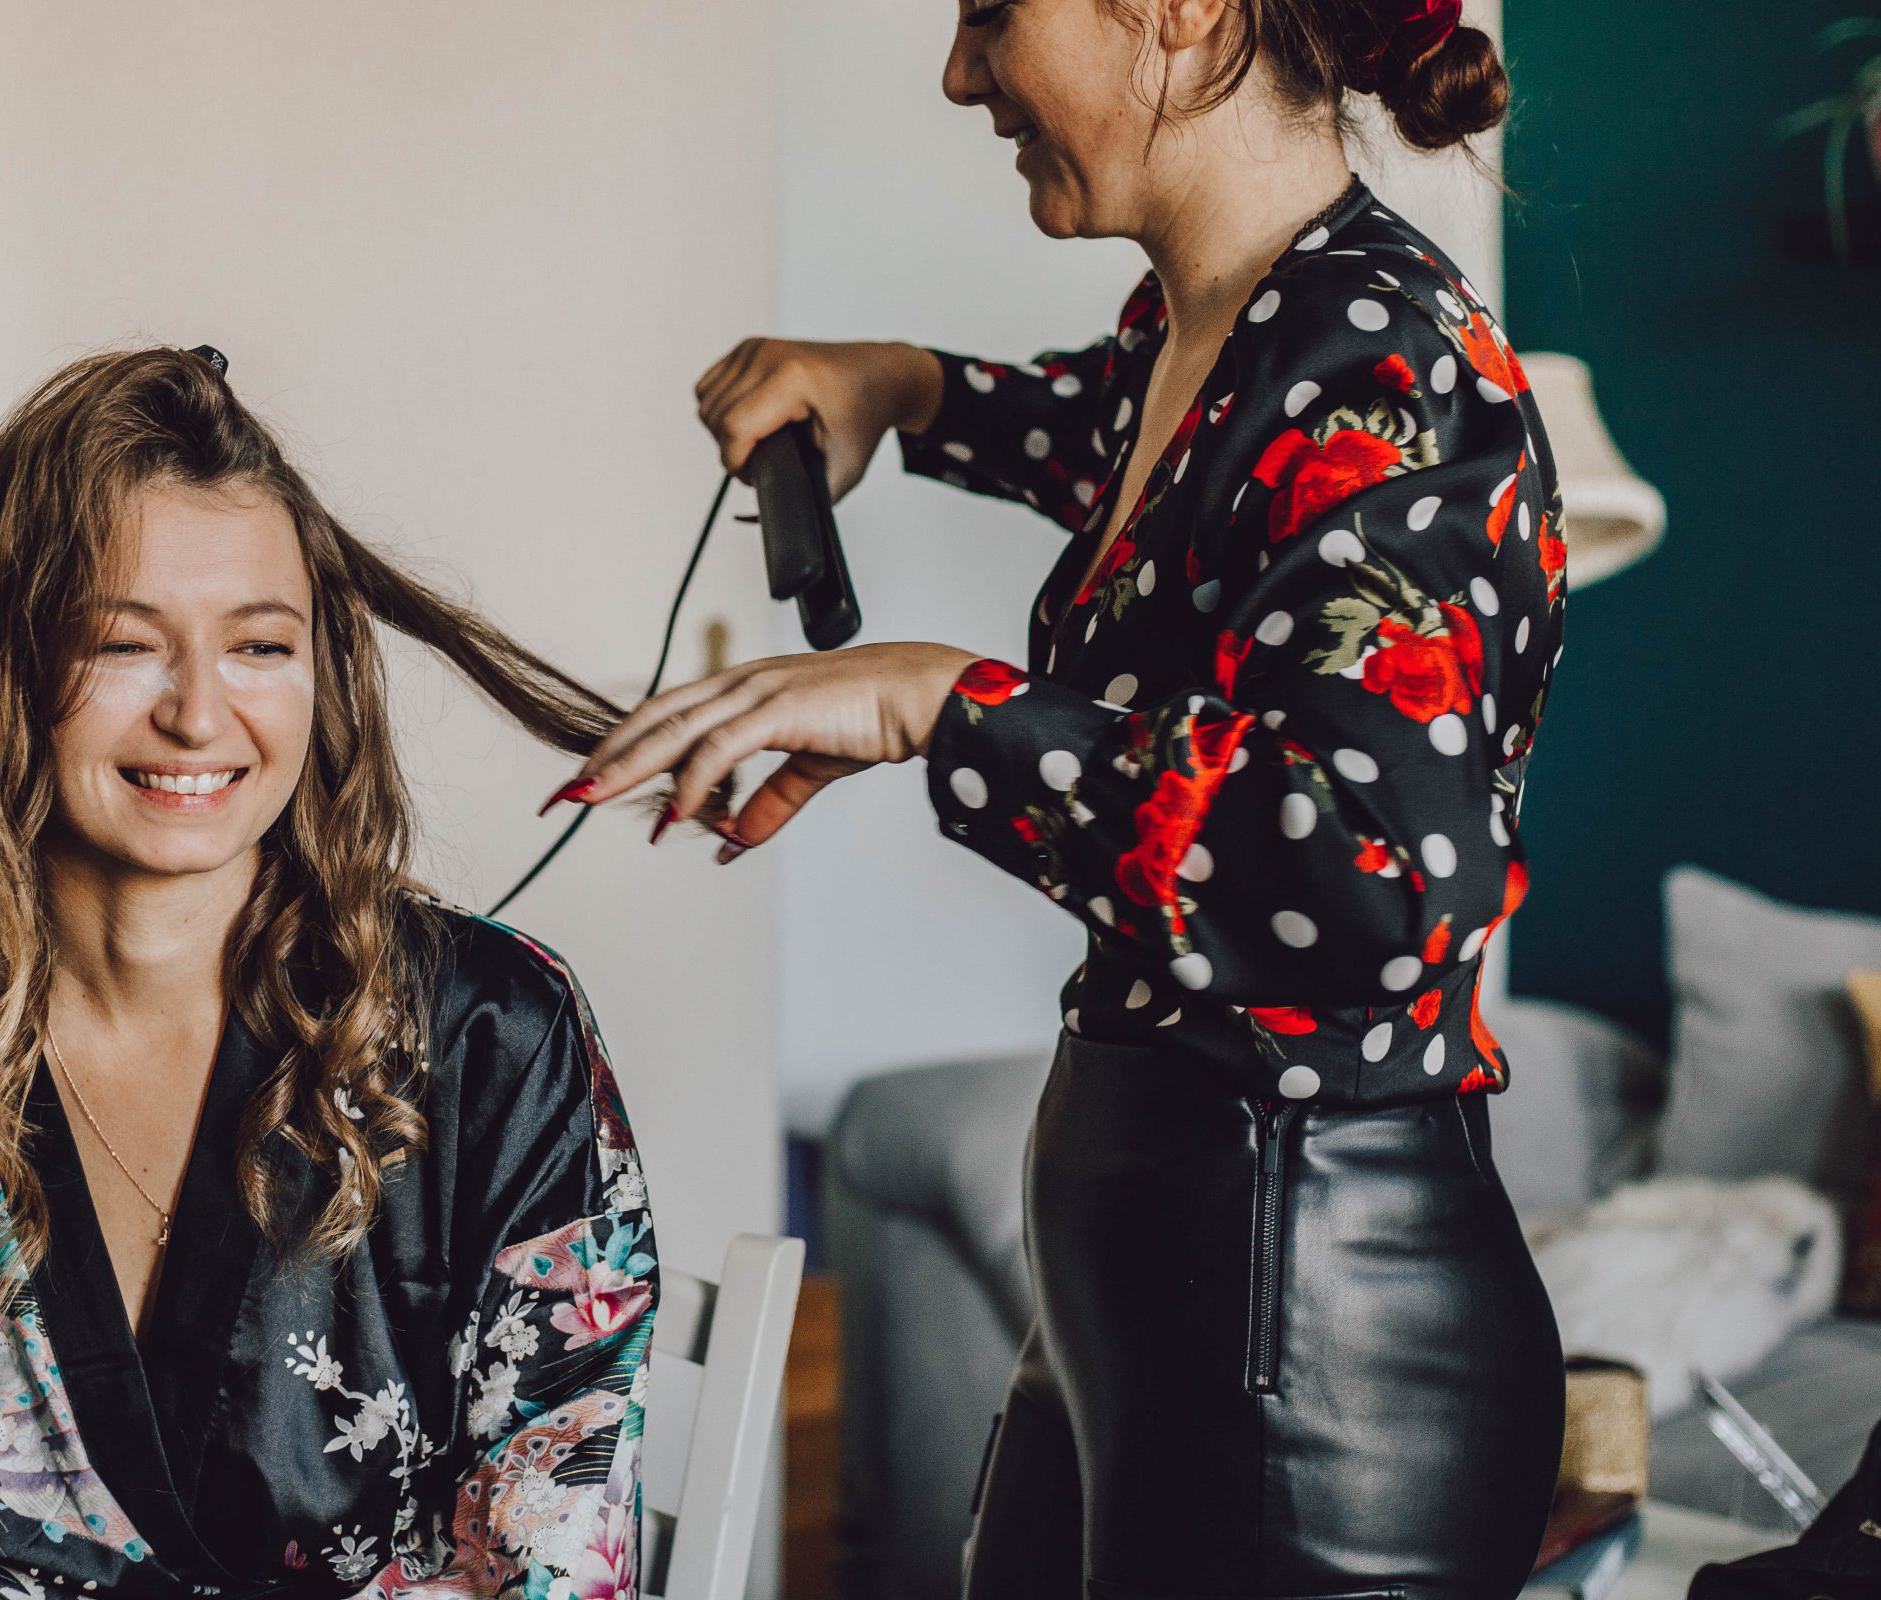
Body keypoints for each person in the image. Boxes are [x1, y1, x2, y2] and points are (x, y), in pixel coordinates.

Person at [555, 0, 1568, 1594]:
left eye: (990, 13)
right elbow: (1117, 448)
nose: (961, 74)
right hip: (1156, 1305)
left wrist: (934, 703)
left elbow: (1378, 883)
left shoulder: (1392, 361)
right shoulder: (1215, 331)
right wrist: (901, 386)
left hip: (1312, 1351)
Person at [0, 348, 657, 1599]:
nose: (200, 714)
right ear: (3, 668)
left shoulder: (492, 1040)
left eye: (260, 645)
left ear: (321, 673)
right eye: (124, 643)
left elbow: (549, 1551)